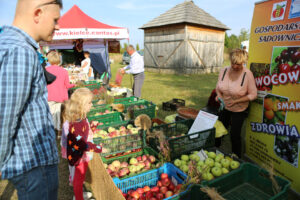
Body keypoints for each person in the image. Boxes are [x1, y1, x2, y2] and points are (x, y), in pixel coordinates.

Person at [0, 0, 62, 199]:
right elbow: (4, 117)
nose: (58, 25)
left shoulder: (13, 46)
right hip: (33, 165)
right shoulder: (20, 51)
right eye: (55, 19)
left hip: (32, 165)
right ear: (37, 14)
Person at [63, 88, 105, 200]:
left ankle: (79, 194)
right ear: (81, 105)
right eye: (89, 103)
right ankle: (78, 197)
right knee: (78, 179)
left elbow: (83, 134)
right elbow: (82, 144)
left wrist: (91, 126)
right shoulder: (75, 124)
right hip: (79, 156)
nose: (91, 105)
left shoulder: (80, 118)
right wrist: (98, 148)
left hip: (81, 154)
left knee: (79, 178)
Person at [215, 48, 257, 157]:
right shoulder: (224, 70)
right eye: (233, 63)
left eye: (238, 64)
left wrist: (236, 101)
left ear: (244, 62)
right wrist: (219, 96)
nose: (235, 66)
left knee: (235, 135)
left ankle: (237, 157)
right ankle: (214, 150)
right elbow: (218, 88)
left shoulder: (247, 74)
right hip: (224, 107)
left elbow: (253, 95)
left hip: (239, 109)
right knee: (219, 130)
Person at [46, 50, 75, 132]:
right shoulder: (64, 71)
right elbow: (67, 85)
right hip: (61, 97)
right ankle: (59, 132)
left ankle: (51, 131)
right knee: (59, 116)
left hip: (49, 96)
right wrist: (74, 84)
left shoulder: (45, 70)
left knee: (50, 115)